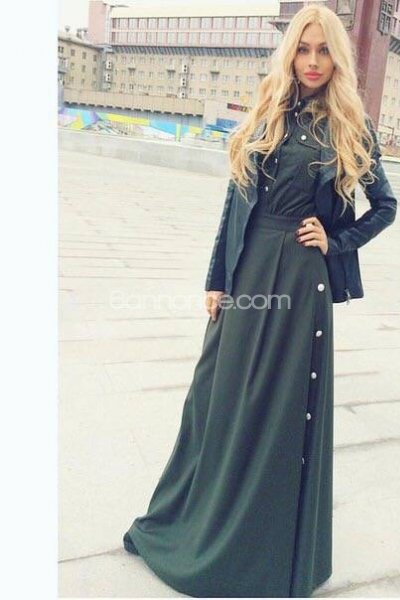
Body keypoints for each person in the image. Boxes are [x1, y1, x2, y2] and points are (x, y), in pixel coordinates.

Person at [122, 5, 397, 598]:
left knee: (278, 408)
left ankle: (265, 549)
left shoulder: (349, 125)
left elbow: (385, 206)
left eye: (324, 51)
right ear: (290, 53)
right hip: (247, 274)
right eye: (304, 49)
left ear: (337, 59)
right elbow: (234, 202)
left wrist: (335, 240)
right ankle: (200, 521)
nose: (313, 61)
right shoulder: (268, 110)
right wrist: (216, 279)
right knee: (217, 396)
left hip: (299, 282)